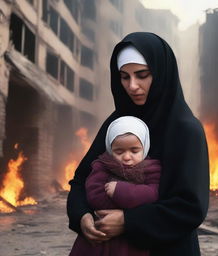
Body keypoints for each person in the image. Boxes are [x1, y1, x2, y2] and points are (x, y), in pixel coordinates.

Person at [67, 32, 209, 256]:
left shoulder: (185, 130)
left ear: (161, 73)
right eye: (124, 77)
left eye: (142, 75)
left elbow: (190, 208)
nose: (132, 86)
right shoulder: (118, 123)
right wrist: (82, 215)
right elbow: (81, 180)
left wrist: (128, 221)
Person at [69, 116, 161, 256]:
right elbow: (95, 196)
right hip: (101, 237)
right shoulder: (102, 165)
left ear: (145, 147)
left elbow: (153, 194)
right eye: (119, 151)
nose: (127, 157)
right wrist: (132, 203)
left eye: (134, 151)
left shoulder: (151, 169)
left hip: (132, 242)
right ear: (110, 149)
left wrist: (121, 191)